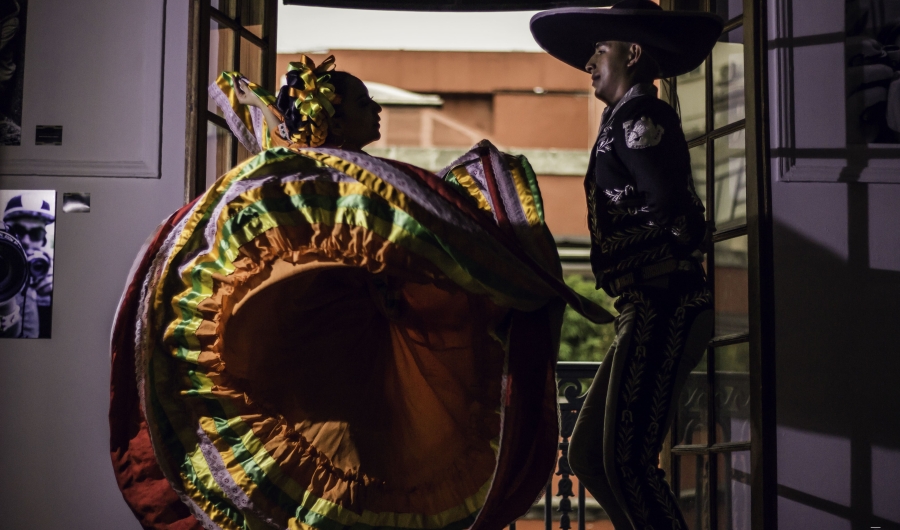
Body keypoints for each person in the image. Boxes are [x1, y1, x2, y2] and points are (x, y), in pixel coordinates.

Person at [111, 55, 611, 530]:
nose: (376, 110)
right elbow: (399, 246)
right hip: (332, 371)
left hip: (361, 369)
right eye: (363, 102)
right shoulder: (317, 189)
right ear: (330, 115)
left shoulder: (354, 187)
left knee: (359, 485)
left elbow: (405, 245)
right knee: (345, 486)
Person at [531, 2, 723, 529]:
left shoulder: (641, 117)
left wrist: (667, 249)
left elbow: (677, 214)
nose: (590, 62)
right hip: (641, 304)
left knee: (625, 460)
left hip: (664, 300)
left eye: (600, 49)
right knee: (590, 455)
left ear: (632, 54)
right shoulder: (625, 120)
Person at [2, 193, 55, 338]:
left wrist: (54, 297)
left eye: (36, 233)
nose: (26, 241)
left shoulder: (51, 270)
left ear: (43, 240)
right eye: (18, 231)